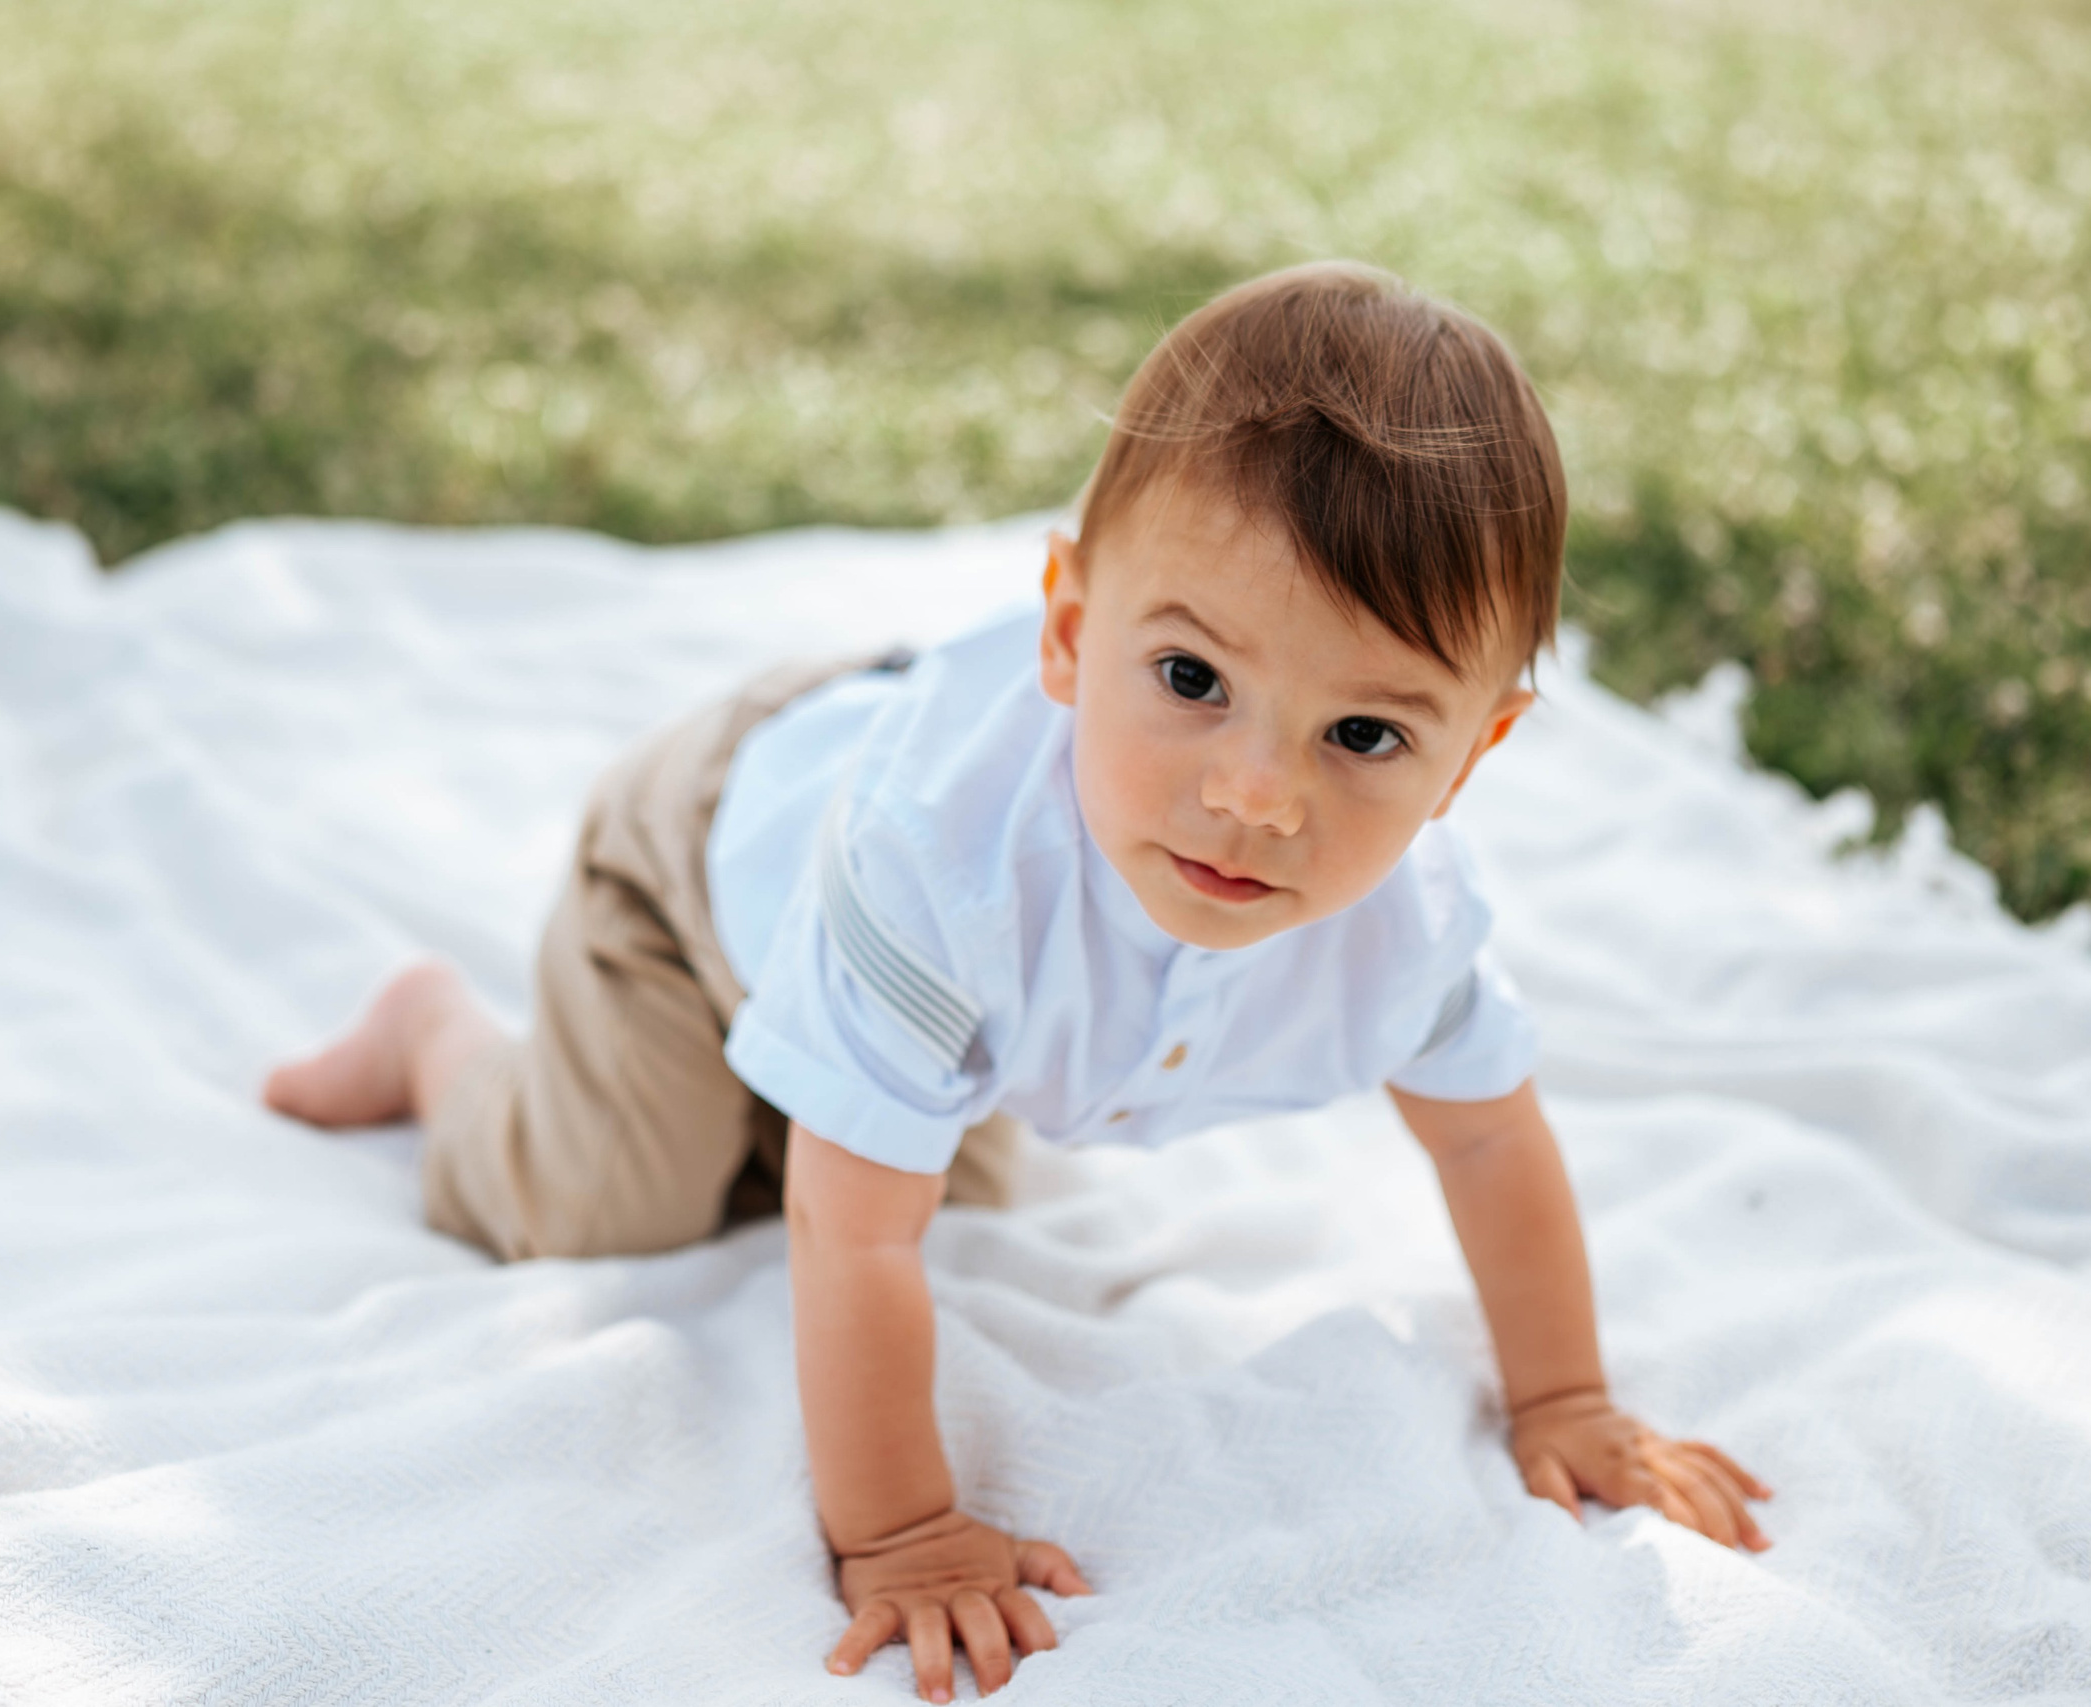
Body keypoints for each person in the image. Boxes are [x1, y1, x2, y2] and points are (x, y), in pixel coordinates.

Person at [264, 261, 1772, 1701]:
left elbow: (1491, 1138)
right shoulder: (945, 874)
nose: (1255, 796)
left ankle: (823, 1073)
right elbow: (848, 1238)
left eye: (1365, 737)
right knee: (613, 1204)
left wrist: (1567, 1401)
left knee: (948, 1201)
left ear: (1472, 758)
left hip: (947, 961)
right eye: (1192, 680)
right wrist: (904, 1533)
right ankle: (435, 1040)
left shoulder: (1409, 928)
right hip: (705, 883)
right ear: (1068, 632)